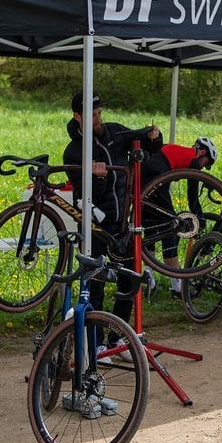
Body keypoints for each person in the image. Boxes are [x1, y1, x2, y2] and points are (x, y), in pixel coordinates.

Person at [63, 91, 163, 326]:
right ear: (77, 116)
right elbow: (88, 195)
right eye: (92, 115)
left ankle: (118, 339)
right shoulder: (73, 152)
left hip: (122, 224)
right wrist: (98, 178)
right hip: (95, 225)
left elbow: (147, 143)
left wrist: (154, 136)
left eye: (99, 113)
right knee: (95, 287)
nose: (98, 119)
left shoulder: (115, 131)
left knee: (129, 283)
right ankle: (96, 345)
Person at [141, 135, 218, 297]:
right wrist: (201, 219)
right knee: (172, 225)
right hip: (156, 174)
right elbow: (192, 197)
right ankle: (176, 284)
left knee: (150, 226)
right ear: (202, 152)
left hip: (144, 174)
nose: (204, 167)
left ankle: (148, 277)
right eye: (207, 162)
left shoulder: (177, 149)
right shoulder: (193, 161)